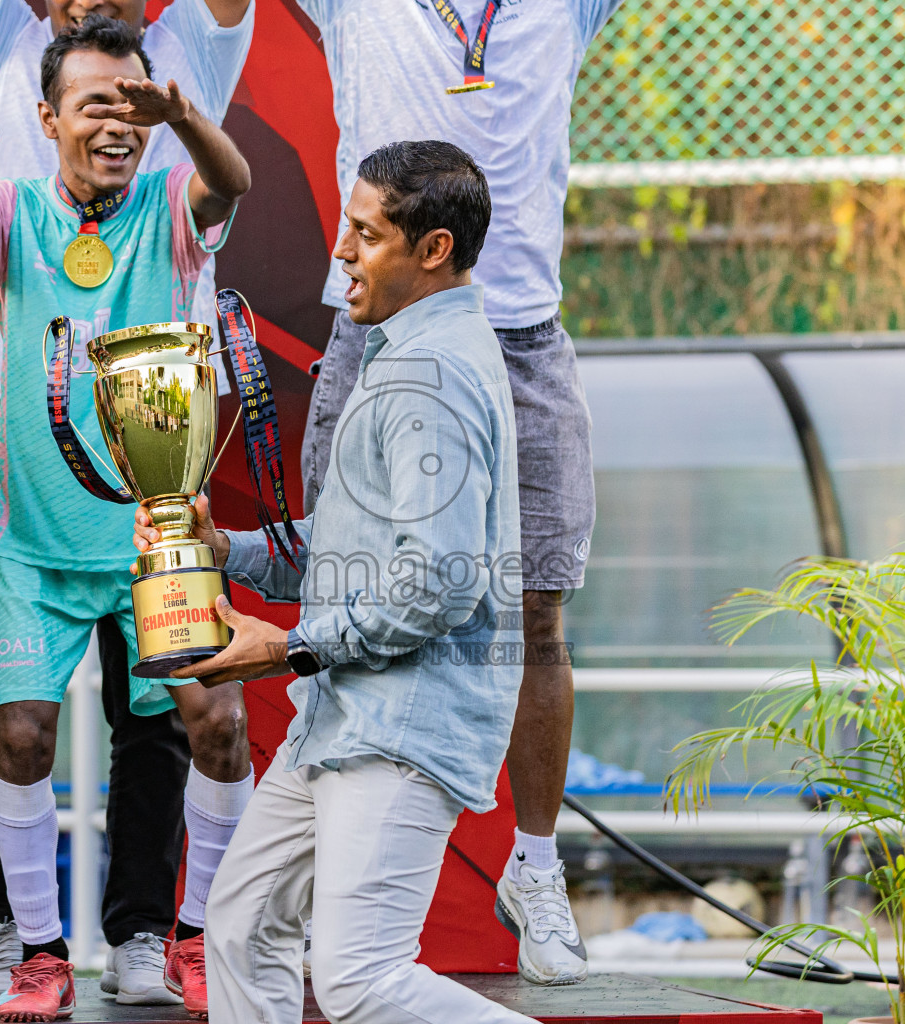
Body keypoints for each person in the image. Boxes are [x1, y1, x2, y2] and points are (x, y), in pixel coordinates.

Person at [0, 17, 252, 1020]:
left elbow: (233, 186)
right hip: (35, 542)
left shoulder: (174, 209)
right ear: (45, 119)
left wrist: (186, 118)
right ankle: (40, 953)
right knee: (20, 735)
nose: (118, 121)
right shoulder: (14, 209)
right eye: (95, 102)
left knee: (215, 721)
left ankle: (190, 935)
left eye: (133, 102)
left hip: (161, 534)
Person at [140, 139, 533, 1024]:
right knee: (240, 931)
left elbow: (436, 583)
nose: (341, 252)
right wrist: (225, 546)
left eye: (365, 233)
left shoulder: (429, 376)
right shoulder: (407, 355)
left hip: (397, 726)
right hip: (347, 716)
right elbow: (360, 547)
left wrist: (284, 645)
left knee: (362, 978)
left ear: (432, 250)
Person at [294, 0, 625, 985]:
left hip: (523, 336)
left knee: (538, 610)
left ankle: (534, 866)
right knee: (340, 582)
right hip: (376, 332)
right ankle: (320, 860)